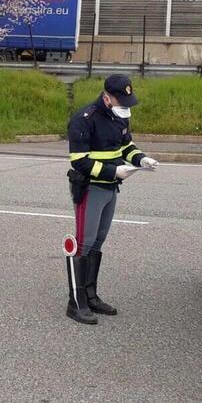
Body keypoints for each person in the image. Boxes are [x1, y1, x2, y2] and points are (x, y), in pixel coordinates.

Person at [65, 74, 159, 325]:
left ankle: (91, 295)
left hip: (111, 187)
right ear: (107, 97)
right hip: (91, 187)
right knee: (84, 243)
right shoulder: (84, 120)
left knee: (98, 240)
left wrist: (141, 159)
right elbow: (79, 161)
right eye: (122, 101)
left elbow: (126, 146)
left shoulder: (119, 116)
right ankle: (76, 302)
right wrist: (113, 171)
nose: (126, 107)